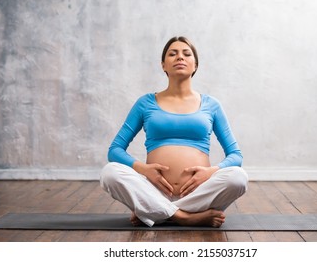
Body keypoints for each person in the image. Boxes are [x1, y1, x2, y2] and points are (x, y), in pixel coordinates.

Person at [100, 36, 248, 228]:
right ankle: (185, 217)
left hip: (199, 192)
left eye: (187, 54)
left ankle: (155, 212)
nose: (180, 57)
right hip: (154, 190)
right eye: (173, 54)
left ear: (195, 65)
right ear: (163, 65)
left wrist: (210, 173)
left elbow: (236, 155)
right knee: (110, 173)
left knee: (238, 177)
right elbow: (115, 151)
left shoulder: (212, 105)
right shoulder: (145, 103)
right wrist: (143, 169)